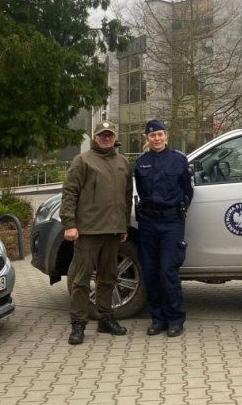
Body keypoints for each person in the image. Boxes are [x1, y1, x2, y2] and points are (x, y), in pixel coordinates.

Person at [60, 120, 134, 345]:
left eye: (109, 135)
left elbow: (127, 196)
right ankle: (78, 324)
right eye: (102, 135)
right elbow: (70, 193)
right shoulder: (82, 160)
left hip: (113, 231)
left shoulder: (122, 162)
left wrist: (123, 226)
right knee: (81, 280)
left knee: (109, 278)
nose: (106, 138)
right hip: (88, 231)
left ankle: (105, 319)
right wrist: (69, 224)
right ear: (95, 137)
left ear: (114, 137)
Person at [134, 119, 193, 338]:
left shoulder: (179, 160)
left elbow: (188, 191)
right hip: (148, 222)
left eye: (160, 134)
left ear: (166, 136)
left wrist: (178, 213)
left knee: (168, 271)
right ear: (146, 138)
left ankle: (175, 319)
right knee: (150, 272)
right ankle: (157, 319)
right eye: (152, 135)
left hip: (171, 223)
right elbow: (140, 191)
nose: (156, 139)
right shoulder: (141, 163)